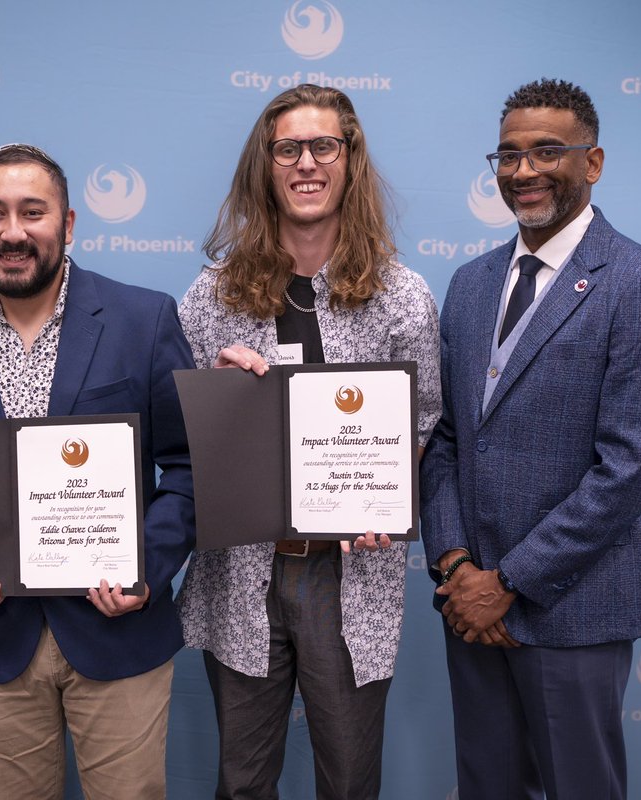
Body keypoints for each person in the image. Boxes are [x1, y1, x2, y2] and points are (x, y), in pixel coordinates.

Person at [420, 78, 641, 799]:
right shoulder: (470, 284)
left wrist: (509, 583)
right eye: (508, 155)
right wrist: (456, 568)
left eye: (547, 152)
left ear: (593, 163)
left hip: (573, 608)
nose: (524, 172)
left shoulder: (639, 285)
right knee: (486, 786)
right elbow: (443, 438)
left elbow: (628, 470)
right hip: (469, 607)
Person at [175, 84, 441, 800]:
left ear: (350, 160)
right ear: (264, 165)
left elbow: (421, 429)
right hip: (243, 574)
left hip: (351, 576)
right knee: (241, 782)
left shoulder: (402, 296)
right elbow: (186, 443)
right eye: (287, 147)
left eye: (324, 145)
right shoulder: (210, 298)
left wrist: (385, 498)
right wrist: (221, 396)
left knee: (350, 782)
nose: (306, 163)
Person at [0, 144, 195, 800]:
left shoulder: (143, 319)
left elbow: (186, 466)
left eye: (33, 212)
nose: (12, 231)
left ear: (67, 225)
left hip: (117, 632)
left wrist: (144, 571)